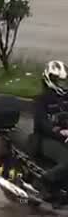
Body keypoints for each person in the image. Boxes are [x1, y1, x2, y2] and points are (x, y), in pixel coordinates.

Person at [34, 60, 68, 195]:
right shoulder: (41, 101)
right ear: (50, 81)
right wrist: (61, 133)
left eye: (65, 82)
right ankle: (43, 183)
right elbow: (43, 124)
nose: (64, 85)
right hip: (46, 139)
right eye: (60, 82)